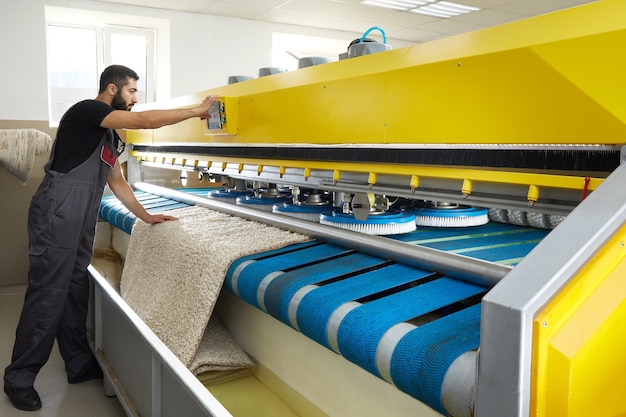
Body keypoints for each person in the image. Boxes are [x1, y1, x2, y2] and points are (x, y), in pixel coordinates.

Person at [3, 65, 218, 411]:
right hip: (58, 213)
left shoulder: (110, 135)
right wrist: (196, 111)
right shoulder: (87, 111)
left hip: (81, 216)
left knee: (75, 289)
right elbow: (145, 122)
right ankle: (19, 377)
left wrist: (146, 216)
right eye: (132, 91)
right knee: (48, 294)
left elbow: (116, 182)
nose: (135, 99)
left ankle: (77, 363)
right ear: (111, 89)